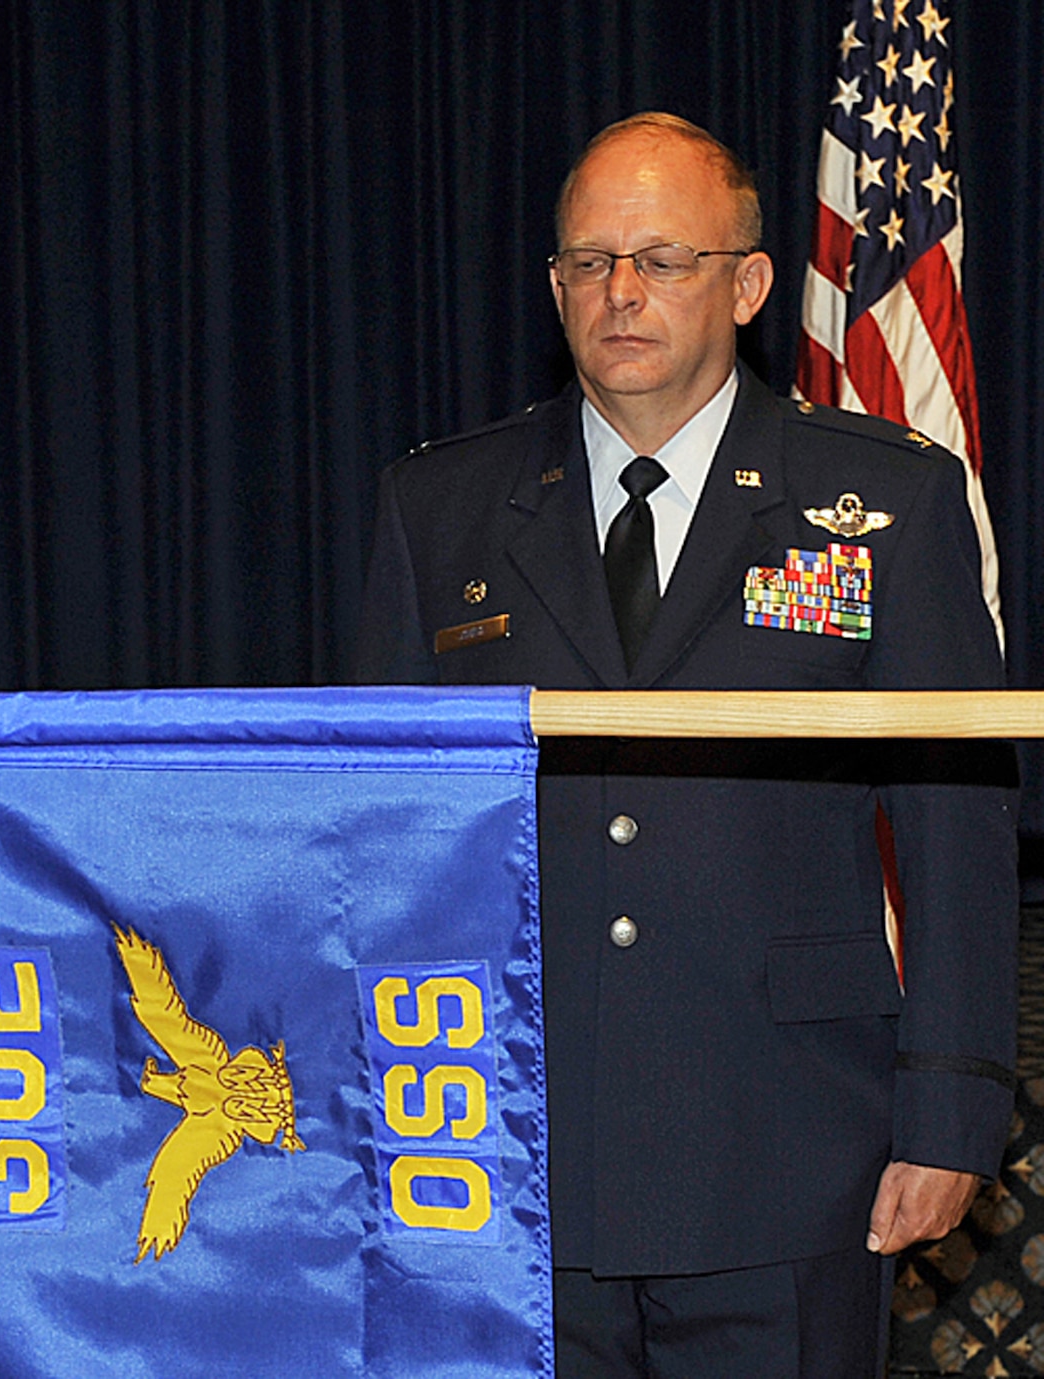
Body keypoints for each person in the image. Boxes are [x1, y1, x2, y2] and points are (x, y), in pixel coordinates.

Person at [354, 113, 1017, 1377]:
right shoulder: (438, 507)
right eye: (588, 261)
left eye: (660, 259)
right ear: (552, 286)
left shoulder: (881, 501)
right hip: (502, 1145)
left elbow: (954, 830)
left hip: (789, 1146)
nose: (619, 293)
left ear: (748, 284)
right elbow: (384, 831)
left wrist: (950, 1106)